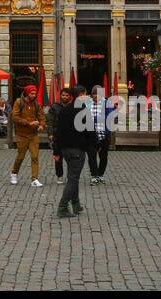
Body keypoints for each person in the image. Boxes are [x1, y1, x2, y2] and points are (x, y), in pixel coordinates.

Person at [54, 85, 93, 217]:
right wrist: (94, 146)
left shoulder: (64, 111)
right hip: (77, 149)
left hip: (65, 149)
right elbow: (90, 132)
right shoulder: (84, 111)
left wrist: (57, 151)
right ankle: (62, 208)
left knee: (73, 176)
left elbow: (58, 132)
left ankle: (76, 205)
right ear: (81, 95)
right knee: (73, 179)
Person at [9, 84, 44, 187]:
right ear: (27, 93)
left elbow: (41, 116)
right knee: (20, 156)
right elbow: (15, 117)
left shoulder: (36, 104)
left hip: (33, 134)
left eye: (35, 93)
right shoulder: (18, 102)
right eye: (32, 93)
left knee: (35, 156)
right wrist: (29, 123)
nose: (34, 95)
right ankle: (14, 173)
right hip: (21, 135)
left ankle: (34, 179)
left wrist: (42, 125)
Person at [47, 88, 72, 184]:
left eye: (67, 95)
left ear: (70, 97)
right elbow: (50, 121)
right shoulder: (54, 107)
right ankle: (59, 175)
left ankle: (71, 175)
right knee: (58, 156)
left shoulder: (73, 106)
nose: (65, 97)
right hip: (57, 135)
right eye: (63, 95)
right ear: (60, 96)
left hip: (70, 135)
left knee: (70, 156)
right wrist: (50, 134)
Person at [87, 90, 112, 184]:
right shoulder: (88, 103)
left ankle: (100, 174)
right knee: (91, 156)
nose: (96, 96)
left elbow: (109, 116)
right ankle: (94, 175)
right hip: (91, 134)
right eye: (94, 93)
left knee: (103, 156)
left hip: (103, 134)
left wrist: (95, 118)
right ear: (91, 94)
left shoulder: (107, 103)